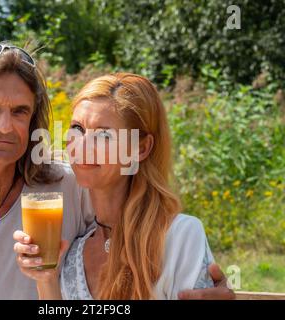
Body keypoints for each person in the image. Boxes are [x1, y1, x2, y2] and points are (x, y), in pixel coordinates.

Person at [0, 42, 233, 300]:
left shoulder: (70, 184)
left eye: (20, 111)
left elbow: (140, 215)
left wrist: (210, 285)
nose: (5, 126)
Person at [14, 73, 235, 300]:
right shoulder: (74, 253)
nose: (83, 145)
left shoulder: (180, 236)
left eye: (104, 135)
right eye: (77, 128)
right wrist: (46, 281)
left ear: (141, 148)